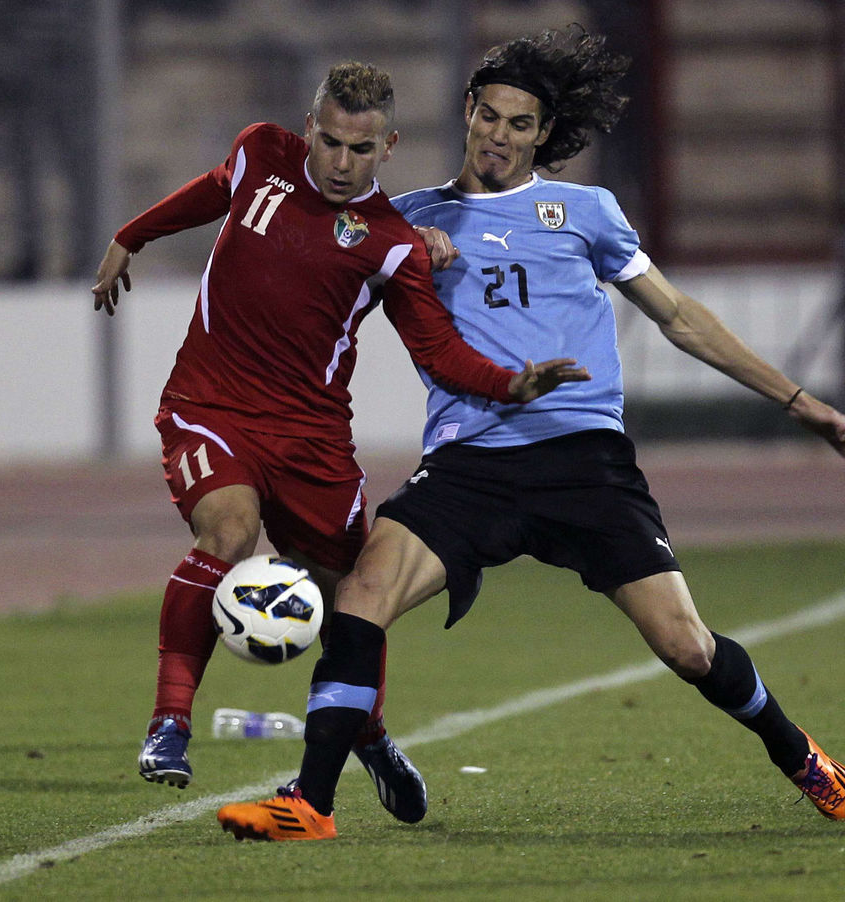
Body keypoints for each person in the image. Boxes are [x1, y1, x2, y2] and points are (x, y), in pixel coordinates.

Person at [217, 27, 845, 841]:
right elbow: (311, 314)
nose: (500, 136)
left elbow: (681, 318)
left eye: (520, 123)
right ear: (468, 114)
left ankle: (803, 758)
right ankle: (310, 803)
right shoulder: (407, 223)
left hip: (583, 461)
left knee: (687, 647)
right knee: (361, 599)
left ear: (544, 133)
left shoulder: (586, 212)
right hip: (468, 465)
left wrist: (801, 402)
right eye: (489, 117)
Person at [92, 60, 586, 823]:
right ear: (308, 130)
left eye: (362, 150)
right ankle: (169, 725)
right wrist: (132, 236)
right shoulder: (262, 153)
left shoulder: (390, 244)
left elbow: (440, 352)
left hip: (313, 440)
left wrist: (507, 383)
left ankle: (370, 734)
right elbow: (212, 190)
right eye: (330, 143)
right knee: (228, 531)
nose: (343, 163)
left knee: (353, 597)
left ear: (387, 148)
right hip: (210, 407)